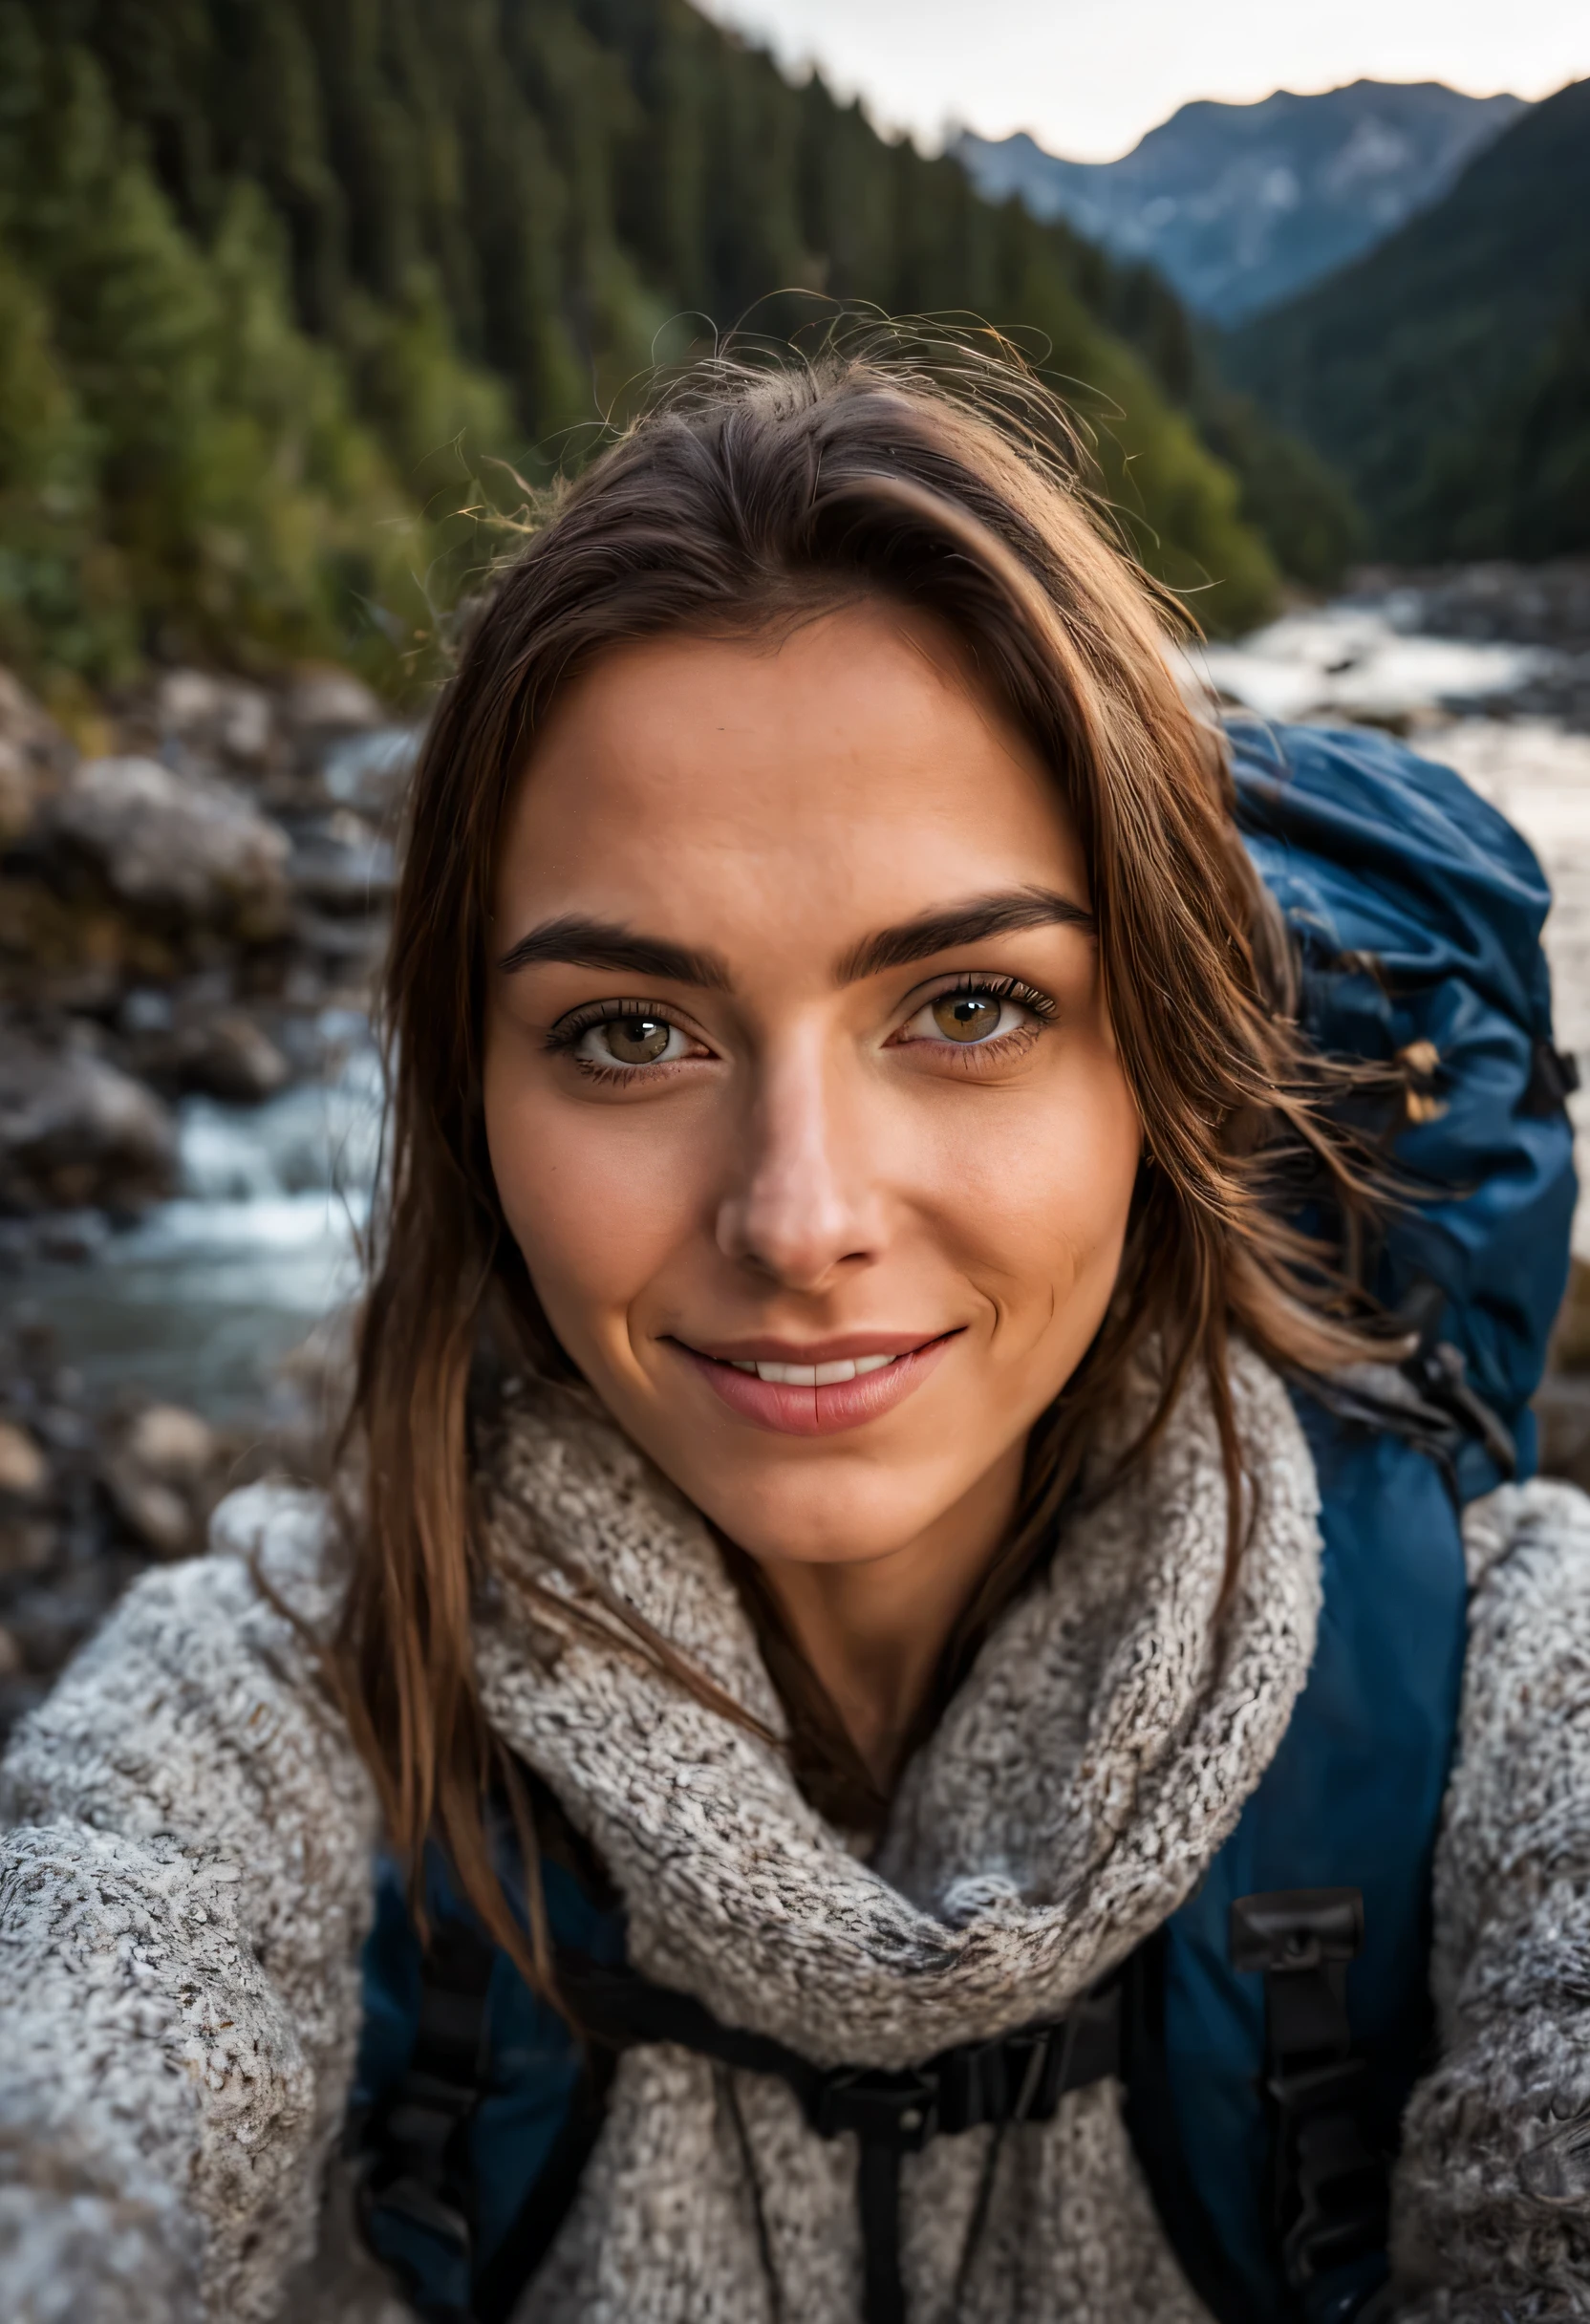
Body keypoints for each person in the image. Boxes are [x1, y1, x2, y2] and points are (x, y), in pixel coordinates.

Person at [2, 345, 1587, 2324]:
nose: (802, 1215)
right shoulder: (297, 1697)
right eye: (629, 1032)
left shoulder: (1500, 1691)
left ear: (1161, 1067)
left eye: (970, 1004)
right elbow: (78, 2068)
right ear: (472, 1108)